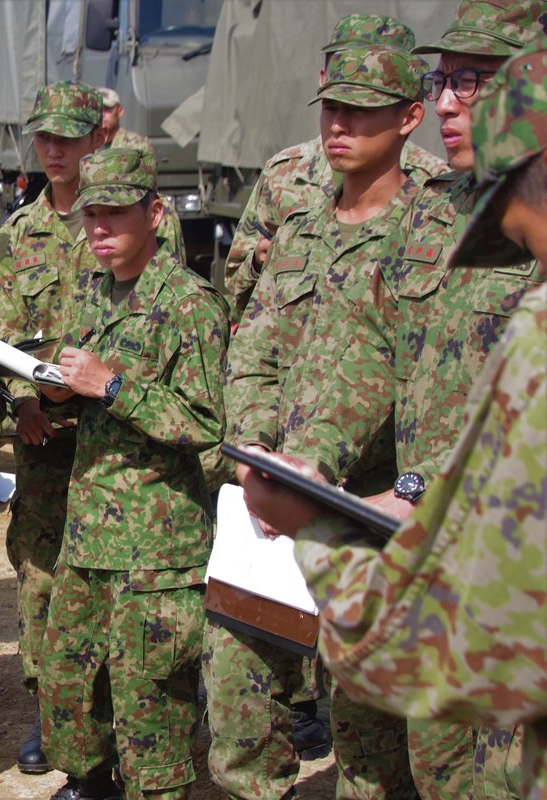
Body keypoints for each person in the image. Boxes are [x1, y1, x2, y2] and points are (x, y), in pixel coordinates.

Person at [235, 40, 547, 799]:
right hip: (438, 553)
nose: (448, 103)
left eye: (474, 84)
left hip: (488, 586)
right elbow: (362, 354)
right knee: (432, 772)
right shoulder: (427, 218)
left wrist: (337, 521)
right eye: (445, 81)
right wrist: (303, 464)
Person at [0, 146, 228, 798]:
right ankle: (89, 780)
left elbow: (209, 425)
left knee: (149, 700)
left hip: (157, 550)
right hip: (89, 534)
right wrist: (46, 393)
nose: (98, 229)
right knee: (72, 686)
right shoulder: (89, 297)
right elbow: (75, 396)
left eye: (114, 214)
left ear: (155, 213)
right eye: (91, 216)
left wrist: (112, 387)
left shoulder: (190, 305)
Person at [212, 44, 431, 800]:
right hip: (271, 496)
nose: (338, 125)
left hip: (364, 511)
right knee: (240, 696)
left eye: (361, 112)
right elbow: (255, 343)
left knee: (369, 733)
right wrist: (254, 456)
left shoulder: (429, 234)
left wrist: (317, 478)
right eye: (331, 109)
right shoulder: (302, 228)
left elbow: (424, 381)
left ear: (409, 119)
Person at [0, 79, 105, 774]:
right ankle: (51, 714)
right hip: (47, 443)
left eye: (68, 136)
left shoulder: (126, 223)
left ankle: (112, 717)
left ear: (96, 138)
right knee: (39, 578)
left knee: (112, 583)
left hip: (117, 439)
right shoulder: (18, 237)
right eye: (44, 137)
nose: (54, 150)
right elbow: (0, 339)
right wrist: (23, 403)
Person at [221, 14, 447, 323]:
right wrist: (261, 262)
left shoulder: (432, 183)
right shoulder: (286, 174)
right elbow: (234, 288)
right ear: (324, 76)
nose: (358, 73)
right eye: (346, 66)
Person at [96, 87, 154, 156]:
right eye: (97, 108)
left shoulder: (135, 145)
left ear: (120, 111)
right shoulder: (85, 144)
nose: (101, 114)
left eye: (107, 109)